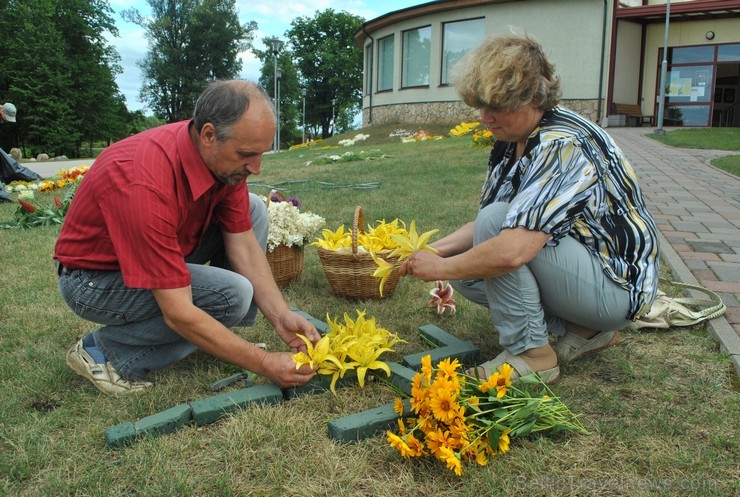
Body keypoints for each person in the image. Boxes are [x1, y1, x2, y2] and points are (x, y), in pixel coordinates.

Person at [400, 33, 660, 383]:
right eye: (481, 105)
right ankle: (585, 329)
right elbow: (488, 227)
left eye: (498, 106)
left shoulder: (561, 143)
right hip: (585, 270)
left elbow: (509, 246)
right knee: (472, 269)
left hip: (616, 286)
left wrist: (441, 267)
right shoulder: (517, 139)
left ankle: (534, 354)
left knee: (489, 240)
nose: (485, 117)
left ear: (535, 97)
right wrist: (428, 252)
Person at [54, 80, 319, 396]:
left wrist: (281, 316)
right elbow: (177, 311)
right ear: (209, 135)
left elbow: (244, 246)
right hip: (94, 281)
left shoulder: (220, 156)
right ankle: (105, 352)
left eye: (260, 154)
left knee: (252, 210)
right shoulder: (144, 182)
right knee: (232, 295)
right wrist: (262, 362)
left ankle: (214, 334)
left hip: (159, 252)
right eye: (247, 154)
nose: (256, 168)